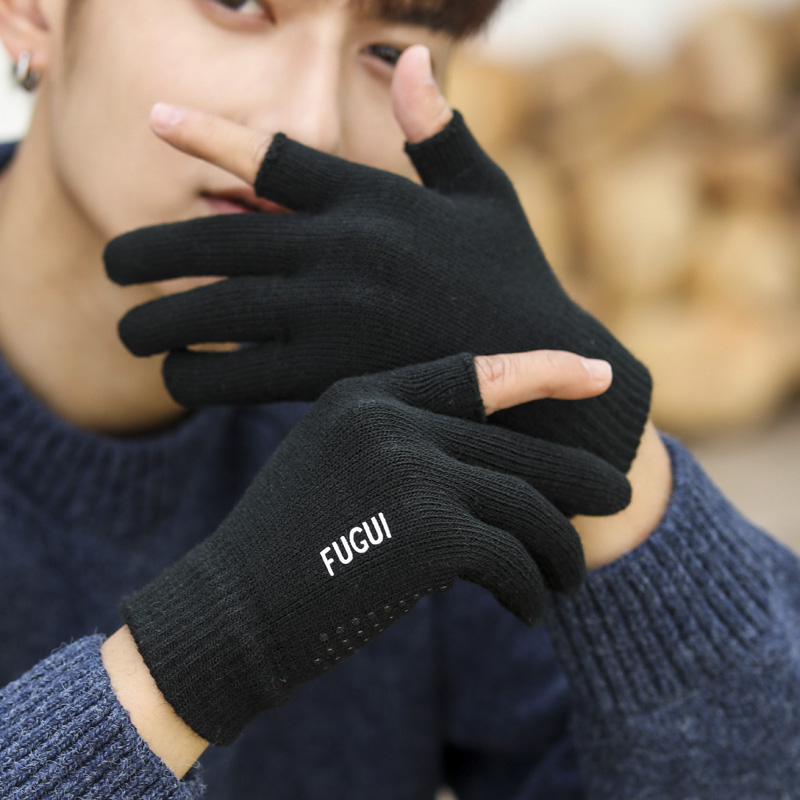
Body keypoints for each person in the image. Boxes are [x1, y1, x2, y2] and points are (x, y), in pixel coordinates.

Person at [0, 1, 798, 798]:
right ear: (34, 12)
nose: (311, 123)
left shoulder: (404, 423)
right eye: (241, 4)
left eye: (387, 50)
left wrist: (618, 482)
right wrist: (210, 647)